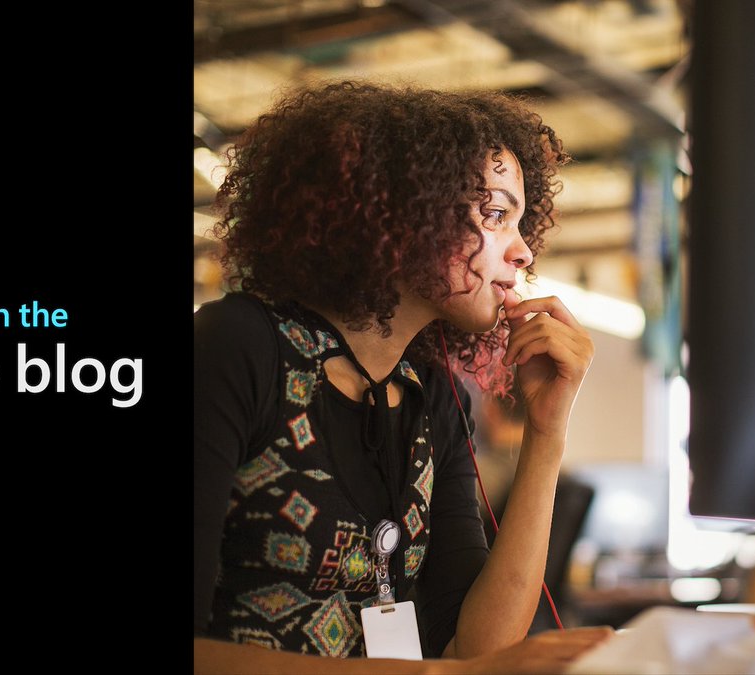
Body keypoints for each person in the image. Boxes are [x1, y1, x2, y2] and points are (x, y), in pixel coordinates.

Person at [194, 80, 608, 673]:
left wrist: (547, 431)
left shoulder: (432, 396)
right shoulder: (238, 347)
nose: (522, 252)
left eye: (519, 225)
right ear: (401, 215)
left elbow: (478, 649)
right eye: (494, 215)